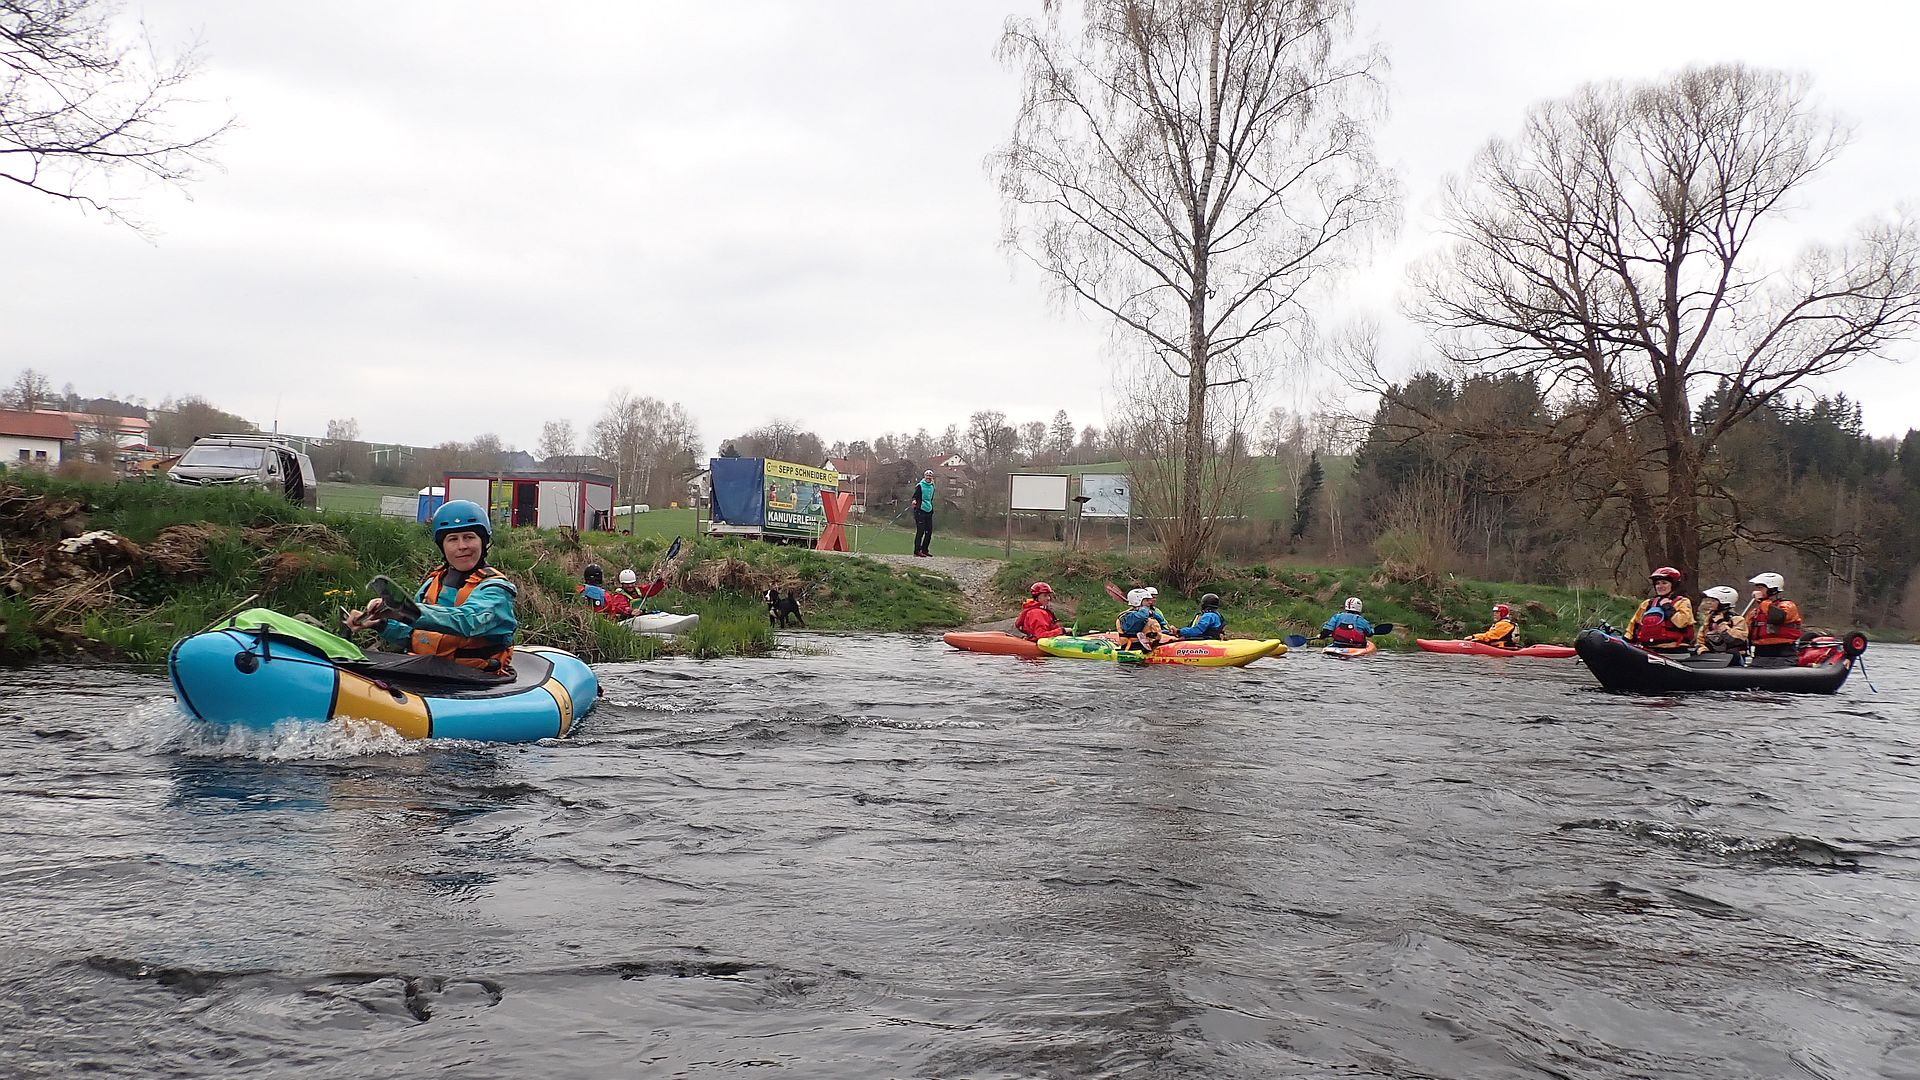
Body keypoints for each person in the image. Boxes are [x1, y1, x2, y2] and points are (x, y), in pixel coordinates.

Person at [344, 499, 517, 674]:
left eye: (469, 537)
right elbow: (414, 637)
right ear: (442, 546)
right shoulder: (433, 583)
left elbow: (469, 621)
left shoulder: (496, 589)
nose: (462, 546)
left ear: (483, 541)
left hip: (477, 679)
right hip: (432, 674)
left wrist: (406, 610)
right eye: (452, 539)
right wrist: (381, 623)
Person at [1626, 567, 1695, 653]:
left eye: (1664, 583)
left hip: (1674, 649)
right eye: (1657, 583)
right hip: (1649, 649)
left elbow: (1681, 622)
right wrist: (1626, 641)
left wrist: (1667, 606)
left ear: (1673, 585)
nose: (1660, 586)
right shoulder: (1647, 604)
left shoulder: (1682, 602)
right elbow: (1633, 626)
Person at [1745, 572, 1803, 662]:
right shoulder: (1756, 611)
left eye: (1760, 588)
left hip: (1783, 653)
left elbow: (1777, 618)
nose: (1757, 592)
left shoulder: (1787, 605)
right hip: (1760, 653)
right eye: (1757, 588)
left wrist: (1762, 601)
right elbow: (1746, 631)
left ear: (1772, 589)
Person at [1695, 585, 1747, 655]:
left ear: (1723, 603)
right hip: (1714, 656)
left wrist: (1721, 623)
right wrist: (1701, 648)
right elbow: (1701, 638)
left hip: (1732, 656)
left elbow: (1736, 640)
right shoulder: (1710, 618)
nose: (1709, 603)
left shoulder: (1737, 619)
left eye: (1713, 601)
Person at [911, 469, 936, 558]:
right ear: (924, 476)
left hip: (929, 510)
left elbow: (931, 498)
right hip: (920, 510)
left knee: (929, 531)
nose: (928, 478)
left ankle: (925, 550)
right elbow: (914, 496)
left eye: (930, 476)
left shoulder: (933, 486)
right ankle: (917, 551)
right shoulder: (920, 486)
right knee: (920, 531)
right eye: (927, 476)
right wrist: (914, 501)